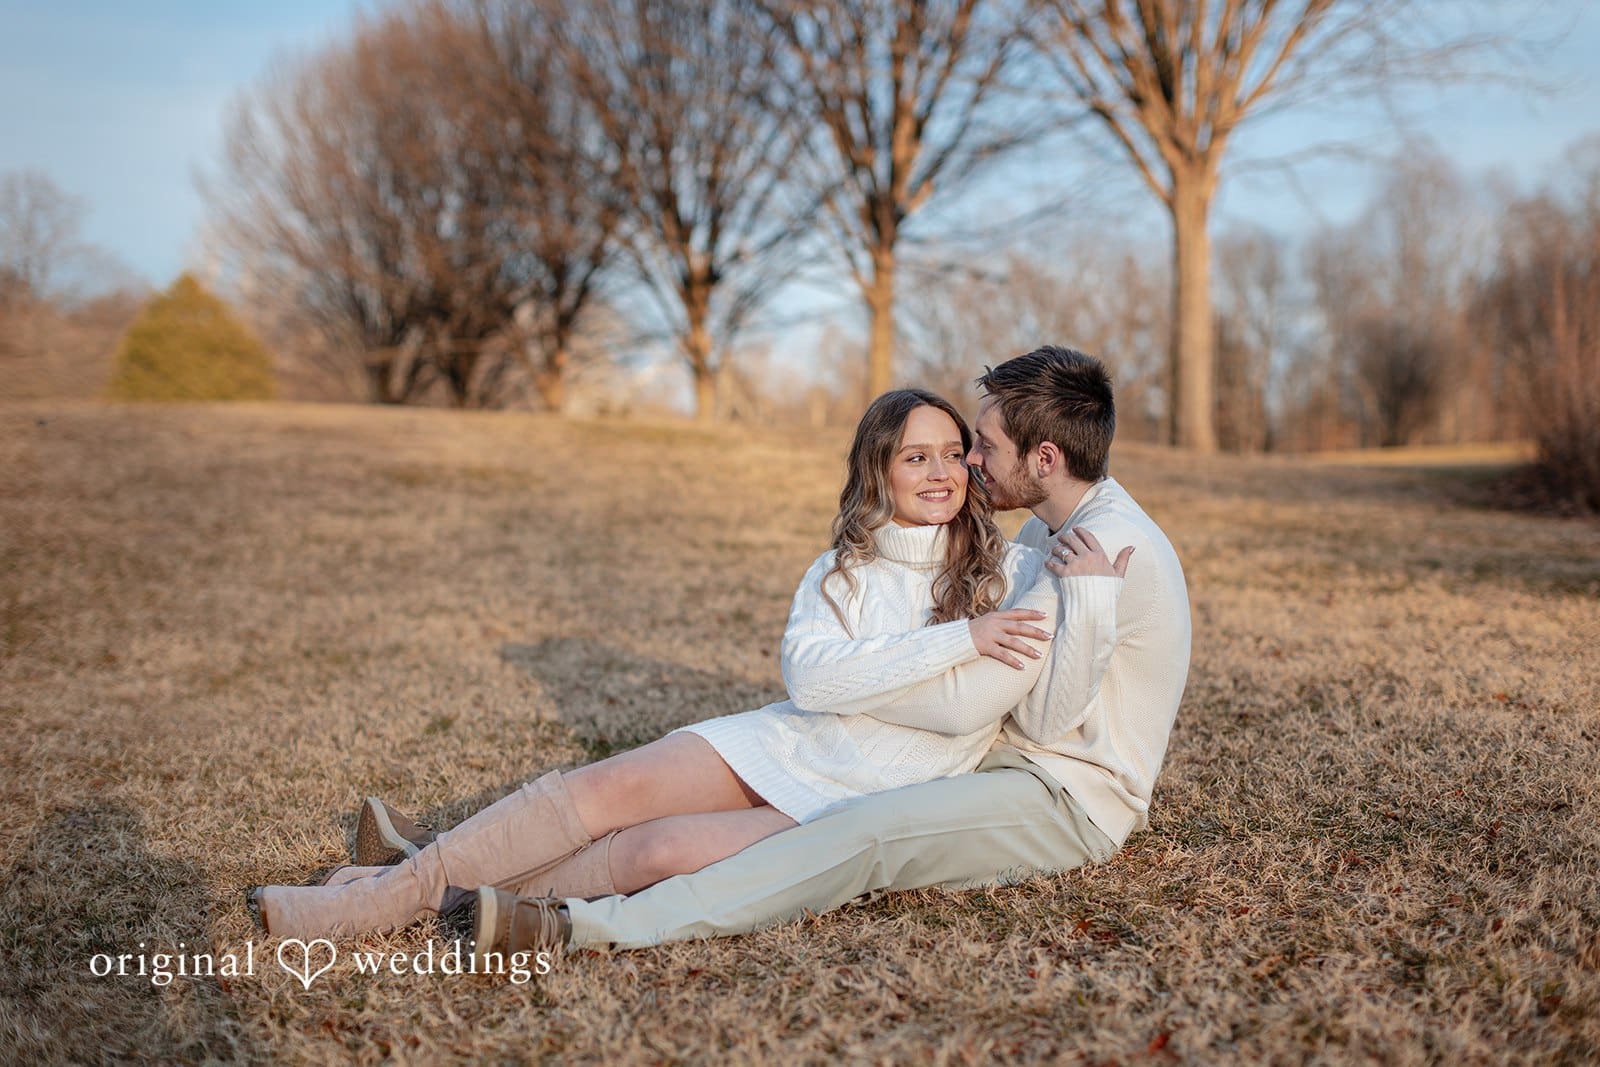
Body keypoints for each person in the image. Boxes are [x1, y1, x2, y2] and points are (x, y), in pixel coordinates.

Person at [251, 388, 1087, 943]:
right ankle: (367, 904)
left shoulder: (1008, 571)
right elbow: (813, 683)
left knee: (657, 851)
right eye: (916, 456)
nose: (941, 471)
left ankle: (419, 881)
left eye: (952, 452)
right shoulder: (843, 567)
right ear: (881, 468)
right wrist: (953, 644)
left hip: (859, 793)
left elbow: (959, 714)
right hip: (789, 739)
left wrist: (890, 671)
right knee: (599, 790)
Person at [461, 345, 1192, 958]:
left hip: (1068, 795)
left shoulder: (1106, 551)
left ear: (1044, 456)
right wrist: (841, 679)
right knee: (654, 795)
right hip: (999, 757)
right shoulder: (1046, 535)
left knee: (865, 832)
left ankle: (585, 926)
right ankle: (456, 875)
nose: (969, 462)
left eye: (984, 447)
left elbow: (1039, 724)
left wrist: (845, 678)